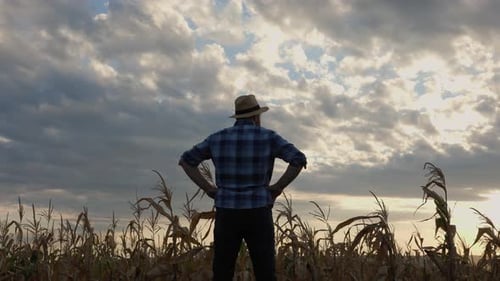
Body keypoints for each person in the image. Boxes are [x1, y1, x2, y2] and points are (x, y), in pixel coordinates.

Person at [179, 94, 307, 281]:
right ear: (256, 117)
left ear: (237, 117)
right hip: (258, 212)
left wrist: (209, 189)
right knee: (265, 272)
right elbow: (298, 159)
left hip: (227, 213)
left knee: (222, 271)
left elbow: (186, 161)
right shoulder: (268, 137)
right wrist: (277, 188)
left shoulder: (217, 138)